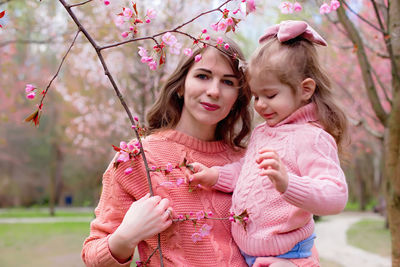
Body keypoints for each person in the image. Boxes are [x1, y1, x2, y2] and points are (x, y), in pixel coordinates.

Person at [187, 20, 349, 267]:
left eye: (270, 95)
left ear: (305, 89)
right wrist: (216, 176)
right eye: (256, 96)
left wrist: (288, 183)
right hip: (249, 254)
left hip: (287, 257)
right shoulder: (264, 132)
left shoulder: (312, 137)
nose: (260, 105)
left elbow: (336, 196)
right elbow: (248, 173)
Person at [81, 36, 253, 266]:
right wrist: (127, 236)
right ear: (181, 85)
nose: (214, 91)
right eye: (203, 76)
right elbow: (92, 257)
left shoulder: (248, 161)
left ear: (237, 97)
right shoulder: (136, 158)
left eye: (228, 82)